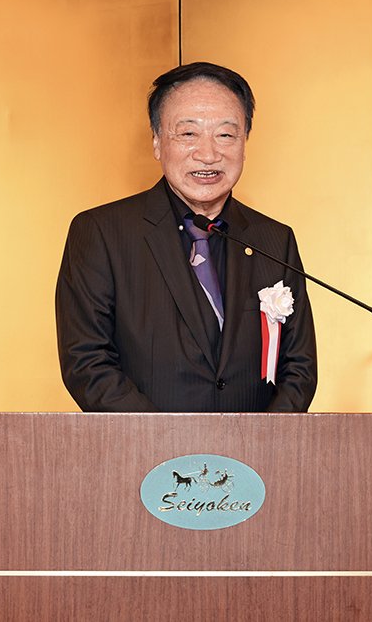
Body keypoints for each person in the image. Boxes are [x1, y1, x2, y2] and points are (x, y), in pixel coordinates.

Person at [55, 61, 317, 412]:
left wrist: (263, 439)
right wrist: (166, 438)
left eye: (226, 135)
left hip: (256, 447)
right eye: (188, 134)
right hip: (144, 445)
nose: (208, 154)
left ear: (244, 143)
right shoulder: (102, 233)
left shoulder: (273, 240)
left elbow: (299, 369)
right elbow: (87, 362)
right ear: (157, 141)